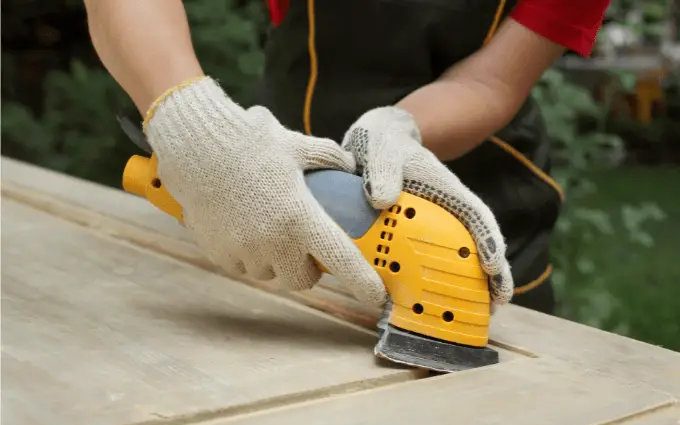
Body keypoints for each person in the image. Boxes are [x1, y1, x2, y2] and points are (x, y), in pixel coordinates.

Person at [83, 0, 611, 315]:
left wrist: (400, 129)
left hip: (484, 208)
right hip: (263, 191)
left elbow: (491, 80)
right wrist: (192, 123)